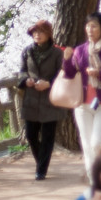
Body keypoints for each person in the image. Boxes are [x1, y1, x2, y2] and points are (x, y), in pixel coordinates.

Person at [63, 13, 101, 180]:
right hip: (82, 104)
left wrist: (99, 74)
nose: (90, 30)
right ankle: (95, 181)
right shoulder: (80, 51)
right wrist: (66, 59)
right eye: (88, 26)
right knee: (86, 144)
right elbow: (70, 74)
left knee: (96, 142)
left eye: (94, 26)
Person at [18, 19, 65, 181]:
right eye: (34, 32)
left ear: (48, 33)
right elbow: (22, 71)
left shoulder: (57, 53)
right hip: (31, 99)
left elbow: (62, 75)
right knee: (31, 135)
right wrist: (26, 80)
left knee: (47, 136)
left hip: (50, 99)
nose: (36, 35)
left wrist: (49, 83)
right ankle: (41, 162)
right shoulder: (27, 51)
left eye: (40, 32)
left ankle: (41, 170)